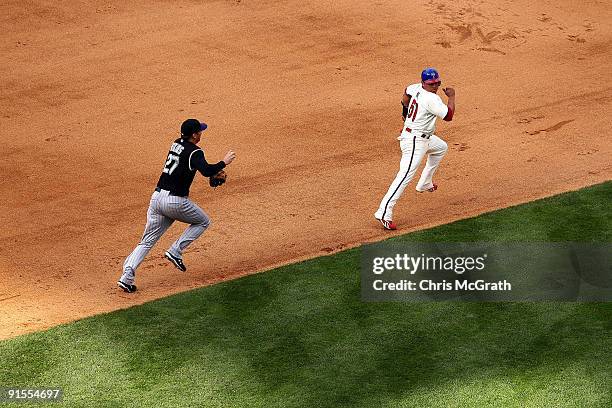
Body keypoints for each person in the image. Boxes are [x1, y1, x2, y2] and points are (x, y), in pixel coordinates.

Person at [117, 119, 236, 293]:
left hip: (156, 199)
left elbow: (188, 167)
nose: (201, 133)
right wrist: (223, 162)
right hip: (174, 202)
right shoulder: (195, 151)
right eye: (200, 131)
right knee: (203, 221)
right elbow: (206, 170)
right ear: (194, 135)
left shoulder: (176, 144)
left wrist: (211, 171)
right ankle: (175, 250)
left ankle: (126, 276)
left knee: (147, 240)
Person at [374, 68, 455, 230]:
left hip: (423, 137)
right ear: (424, 83)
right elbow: (449, 116)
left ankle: (425, 182)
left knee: (441, 148)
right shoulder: (432, 99)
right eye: (431, 83)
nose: (435, 86)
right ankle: (384, 212)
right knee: (404, 177)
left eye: (437, 82)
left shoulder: (415, 87)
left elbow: (406, 95)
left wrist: (405, 114)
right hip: (414, 142)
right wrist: (452, 97)